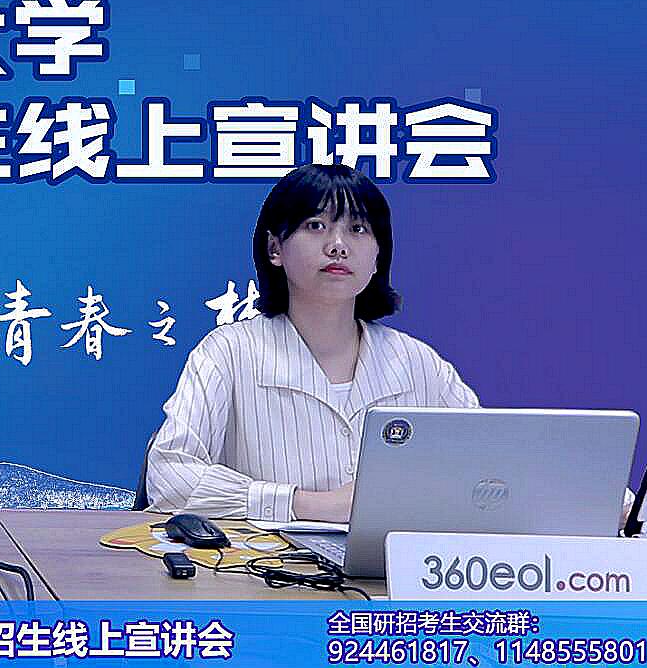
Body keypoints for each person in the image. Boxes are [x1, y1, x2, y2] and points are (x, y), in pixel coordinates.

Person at [146, 163, 477, 523]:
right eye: (316, 225)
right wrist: (307, 505)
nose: (338, 246)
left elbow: (487, 470)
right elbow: (168, 477)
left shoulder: (419, 364)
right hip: (265, 557)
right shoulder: (229, 352)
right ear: (275, 248)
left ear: (378, 255)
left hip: (391, 558)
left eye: (357, 229)